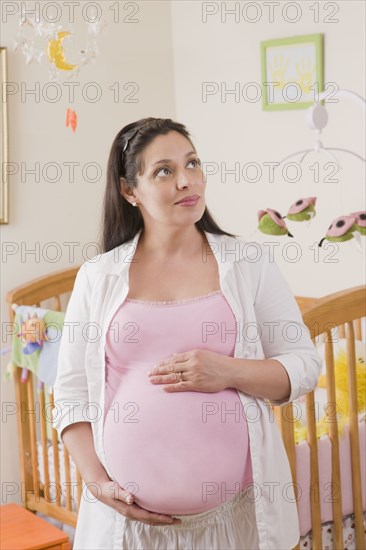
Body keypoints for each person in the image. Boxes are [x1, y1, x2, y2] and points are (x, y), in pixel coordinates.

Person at [52, 117, 323, 550]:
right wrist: (98, 482)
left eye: (192, 163)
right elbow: (70, 394)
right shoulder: (98, 276)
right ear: (129, 191)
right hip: (128, 530)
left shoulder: (247, 262)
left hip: (234, 522)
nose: (186, 181)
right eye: (164, 170)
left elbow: (305, 366)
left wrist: (228, 371)